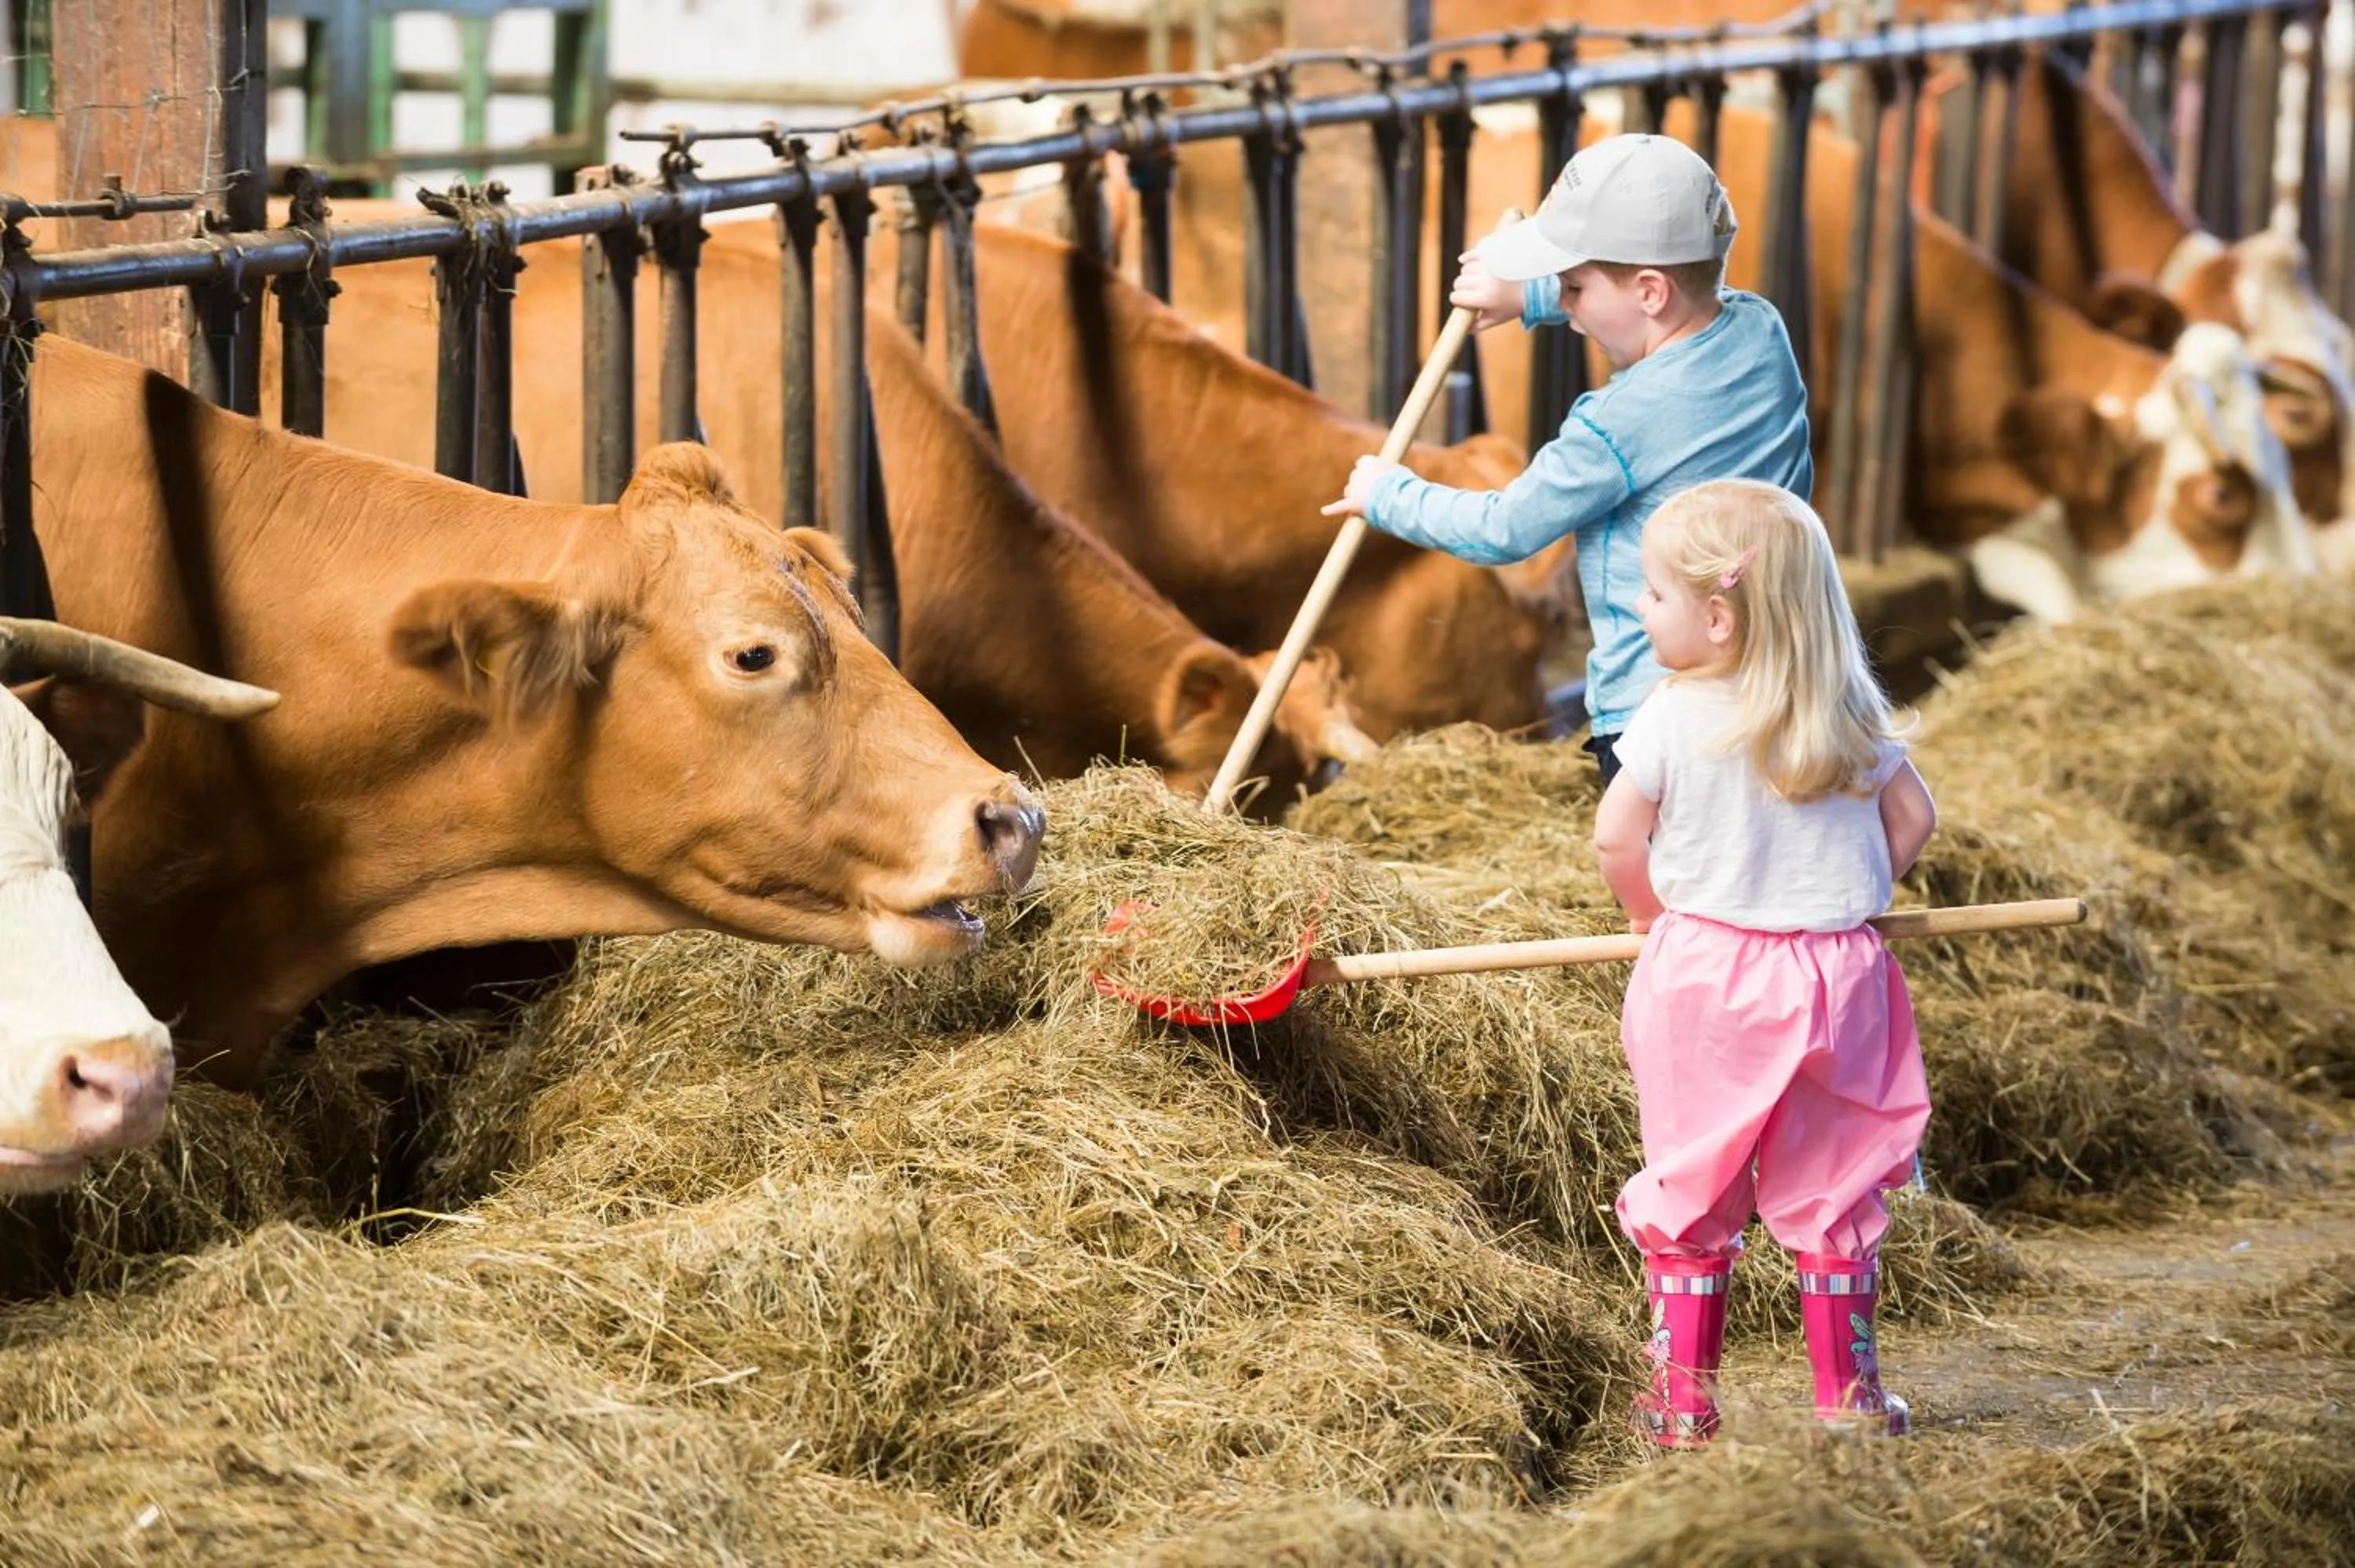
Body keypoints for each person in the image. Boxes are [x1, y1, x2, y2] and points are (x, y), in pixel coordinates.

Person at [1589, 479, 1937, 1449]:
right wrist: (1844, 889)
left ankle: (1682, 1403)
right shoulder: (1850, 709)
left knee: (1694, 1179)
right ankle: (1850, 1405)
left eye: (1651, 596)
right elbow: (1914, 821)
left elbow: (1618, 838)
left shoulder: (1670, 712)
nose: (1640, 610)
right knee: (1836, 1184)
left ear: (1717, 616)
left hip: (1705, 979)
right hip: (1840, 977)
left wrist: (1654, 917)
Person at [1324, 133, 1812, 783]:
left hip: (1657, 702)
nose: (1571, 308)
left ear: (1648, 292)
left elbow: (1507, 529)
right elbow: (1648, 298)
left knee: (1659, 874)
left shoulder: (1615, 426)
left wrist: (1390, 495)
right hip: (1781, 676)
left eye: (1574, 287)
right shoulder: (1761, 331)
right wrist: (1529, 299)